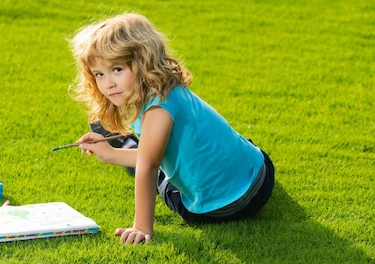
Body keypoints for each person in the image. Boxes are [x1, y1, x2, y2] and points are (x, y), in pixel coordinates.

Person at [67, 13, 275, 245]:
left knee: (162, 178)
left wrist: (141, 227)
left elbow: (149, 165)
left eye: (117, 69)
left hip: (218, 208)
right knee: (186, 149)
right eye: (99, 74)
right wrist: (111, 155)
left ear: (143, 61)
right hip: (259, 175)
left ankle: (128, 144)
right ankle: (128, 146)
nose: (108, 83)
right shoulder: (168, 90)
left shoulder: (157, 108)